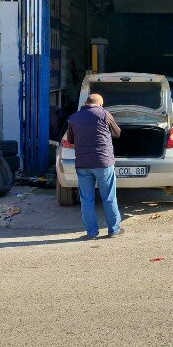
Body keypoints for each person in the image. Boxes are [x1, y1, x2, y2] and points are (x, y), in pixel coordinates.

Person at [65, 94, 123, 239]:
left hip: (83, 164)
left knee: (86, 200)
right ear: (100, 104)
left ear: (86, 103)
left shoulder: (73, 118)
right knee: (109, 197)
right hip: (103, 163)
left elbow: (70, 140)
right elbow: (117, 133)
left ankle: (91, 232)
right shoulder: (104, 114)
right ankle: (114, 230)